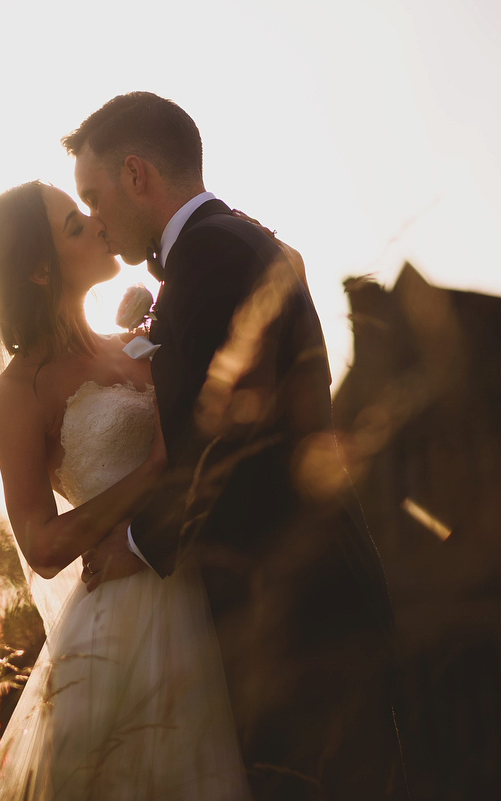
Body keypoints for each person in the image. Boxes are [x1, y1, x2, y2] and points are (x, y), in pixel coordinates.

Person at [64, 92, 405, 799]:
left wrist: (138, 542)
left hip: (300, 613)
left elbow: (229, 434)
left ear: (137, 175)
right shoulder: (226, 247)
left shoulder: (213, 255)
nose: (95, 219)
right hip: (309, 597)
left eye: (94, 196)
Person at [0, 181, 252, 799]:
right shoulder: (17, 393)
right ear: (40, 270)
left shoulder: (143, 344)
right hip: (122, 621)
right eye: (74, 224)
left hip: (212, 579)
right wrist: (153, 469)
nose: (97, 222)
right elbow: (42, 548)